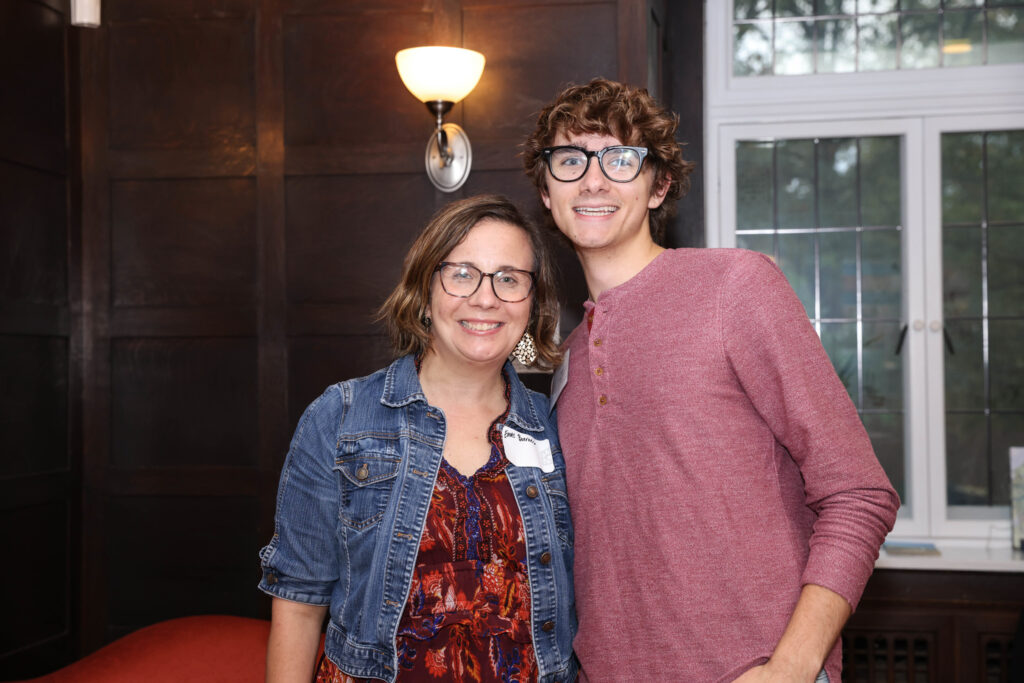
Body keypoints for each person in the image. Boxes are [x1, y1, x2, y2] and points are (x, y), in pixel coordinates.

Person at [522, 78, 900, 682]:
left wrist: (793, 667)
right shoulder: (566, 357)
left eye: (621, 159)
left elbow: (858, 494)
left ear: (659, 186)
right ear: (546, 192)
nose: (594, 180)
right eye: (570, 160)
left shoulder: (736, 286)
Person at [258, 194, 578, 683]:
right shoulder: (340, 418)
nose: (486, 297)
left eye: (509, 278)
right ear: (425, 293)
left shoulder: (559, 424)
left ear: (532, 306)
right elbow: (299, 607)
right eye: (462, 273)